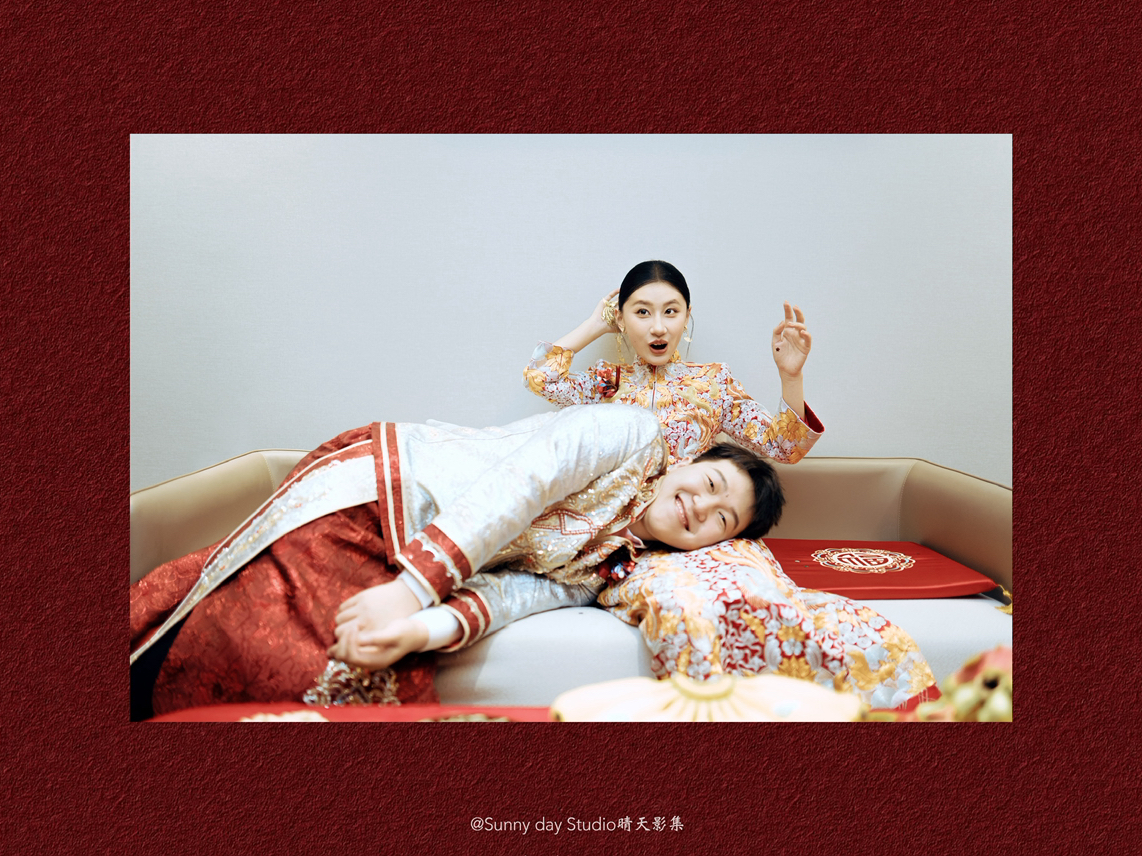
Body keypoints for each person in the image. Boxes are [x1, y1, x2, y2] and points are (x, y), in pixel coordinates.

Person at [130, 404, 783, 718]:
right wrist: (410, 591)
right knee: (255, 636)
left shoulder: (614, 565)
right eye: (711, 484)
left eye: (722, 520)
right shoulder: (632, 435)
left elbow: (517, 594)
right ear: (689, 462)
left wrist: (421, 629)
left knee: (359, 680)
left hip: (417, 568)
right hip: (387, 491)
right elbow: (525, 482)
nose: (701, 506)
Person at [523, 260, 824, 468]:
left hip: (689, 523)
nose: (658, 327)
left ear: (686, 316)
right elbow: (540, 377)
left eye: (670, 311)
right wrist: (595, 325)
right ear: (621, 318)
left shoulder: (714, 384)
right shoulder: (605, 382)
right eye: (642, 312)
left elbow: (785, 449)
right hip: (616, 526)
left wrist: (791, 376)